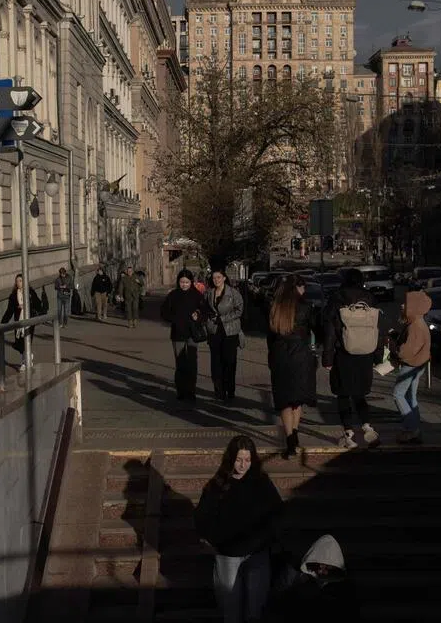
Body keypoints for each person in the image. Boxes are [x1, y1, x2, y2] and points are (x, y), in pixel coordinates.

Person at [195, 435, 283, 623]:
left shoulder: (261, 482)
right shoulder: (218, 484)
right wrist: (212, 539)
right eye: (239, 459)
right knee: (231, 609)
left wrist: (268, 537)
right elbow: (203, 515)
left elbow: (276, 511)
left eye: (247, 460)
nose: (243, 465)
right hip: (228, 554)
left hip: (257, 552)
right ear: (231, 459)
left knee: (255, 609)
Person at [321, 268, 381, 449]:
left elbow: (330, 331)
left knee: (342, 394)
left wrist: (327, 358)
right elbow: (377, 329)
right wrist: (377, 356)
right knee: (360, 394)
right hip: (365, 353)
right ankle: (367, 426)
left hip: (343, 354)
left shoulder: (337, 297)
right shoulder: (369, 298)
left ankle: (349, 434)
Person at [267, 275, 317, 459]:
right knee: (297, 399)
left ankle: (289, 439)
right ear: (298, 288)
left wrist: (271, 357)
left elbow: (269, 337)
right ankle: (295, 432)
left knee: (284, 400)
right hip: (301, 354)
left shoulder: (275, 307)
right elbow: (315, 327)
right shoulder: (306, 306)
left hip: (280, 354)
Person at [264, 534, 359, 621]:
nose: (322, 571)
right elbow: (278, 598)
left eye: (327, 567)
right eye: (320, 566)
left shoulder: (343, 587)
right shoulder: (296, 574)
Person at [160, 269, 208, 401]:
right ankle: (181, 391)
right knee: (180, 363)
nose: (184, 285)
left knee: (192, 362)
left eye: (187, 282)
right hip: (178, 334)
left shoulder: (197, 295)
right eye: (182, 282)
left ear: (191, 282)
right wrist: (174, 319)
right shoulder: (173, 295)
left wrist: (198, 315)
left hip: (193, 333)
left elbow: (205, 311)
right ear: (178, 282)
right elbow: (164, 312)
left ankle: (191, 391)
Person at [391, 290, 432, 444]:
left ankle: (411, 428)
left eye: (406, 304)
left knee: (398, 394)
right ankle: (415, 428)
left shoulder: (415, 325)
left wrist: (396, 352)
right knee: (410, 396)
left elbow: (407, 351)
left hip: (411, 364)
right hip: (418, 364)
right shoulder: (418, 322)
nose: (402, 306)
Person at [206, 267, 245, 402]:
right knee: (216, 363)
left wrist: (224, 318)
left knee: (229, 362)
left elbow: (239, 310)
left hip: (230, 332)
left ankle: (230, 390)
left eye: (218, 277)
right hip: (214, 332)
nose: (216, 280)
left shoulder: (233, 293)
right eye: (214, 278)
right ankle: (219, 390)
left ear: (224, 278)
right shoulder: (209, 293)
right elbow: (205, 308)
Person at [0, 274, 47, 367]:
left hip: (29, 321)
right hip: (19, 322)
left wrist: (27, 305)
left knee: (27, 341)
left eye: (20, 281)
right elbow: (9, 310)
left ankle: (24, 363)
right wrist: (3, 323)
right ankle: (27, 358)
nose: (18, 283)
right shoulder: (13, 295)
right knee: (19, 344)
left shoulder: (30, 292)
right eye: (17, 281)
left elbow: (38, 304)